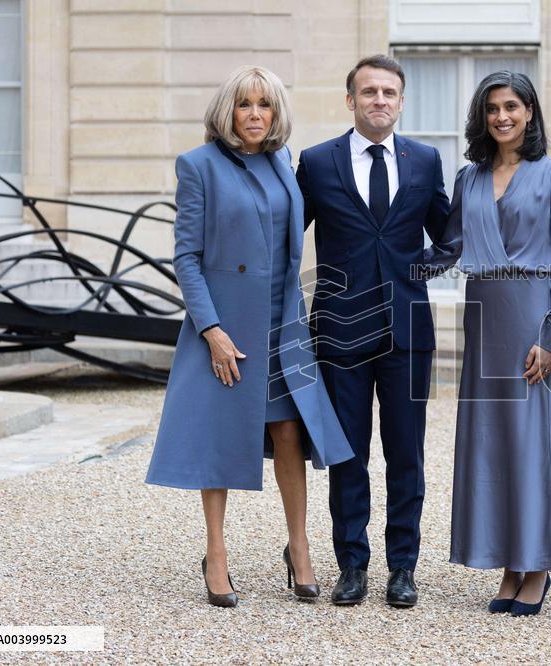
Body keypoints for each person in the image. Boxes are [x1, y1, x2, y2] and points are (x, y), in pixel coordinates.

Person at [145, 66, 353, 607]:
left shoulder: (284, 162)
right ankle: (215, 554)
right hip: (226, 324)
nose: (255, 114)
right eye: (244, 104)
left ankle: (299, 547)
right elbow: (186, 257)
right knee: (218, 435)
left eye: (265, 104)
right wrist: (211, 330)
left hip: (282, 321)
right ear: (228, 111)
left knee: (289, 431)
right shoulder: (198, 165)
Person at [421, 71, 551, 617]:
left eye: (511, 106)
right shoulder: (469, 178)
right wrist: (389, 264)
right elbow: (448, 248)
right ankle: (510, 563)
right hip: (484, 314)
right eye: (492, 108)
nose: (502, 117)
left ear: (529, 111)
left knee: (529, 442)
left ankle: (536, 565)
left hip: (532, 318)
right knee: (490, 442)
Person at [295, 55, 449, 608]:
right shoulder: (317, 162)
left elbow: (450, 235)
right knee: (348, 455)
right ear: (350, 100)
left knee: (406, 455)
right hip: (340, 332)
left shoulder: (425, 160)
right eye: (368, 92)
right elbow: (288, 236)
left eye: (388, 92)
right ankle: (352, 565)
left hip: (408, 332)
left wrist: (417, 273)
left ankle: (403, 567)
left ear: (401, 101)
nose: (379, 100)